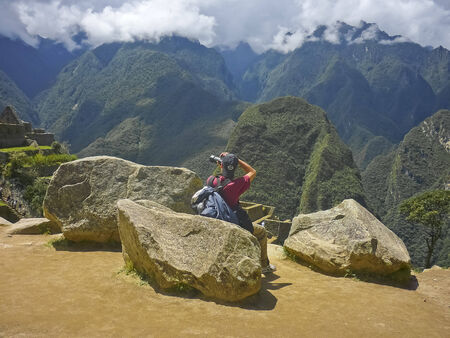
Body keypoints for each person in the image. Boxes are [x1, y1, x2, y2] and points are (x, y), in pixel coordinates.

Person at [207, 152, 276, 274]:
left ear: (221, 165)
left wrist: (222, 165)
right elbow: (252, 171)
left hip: (216, 219)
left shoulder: (211, 180)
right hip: (232, 222)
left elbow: (219, 181)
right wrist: (237, 160)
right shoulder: (236, 185)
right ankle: (264, 265)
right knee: (261, 232)